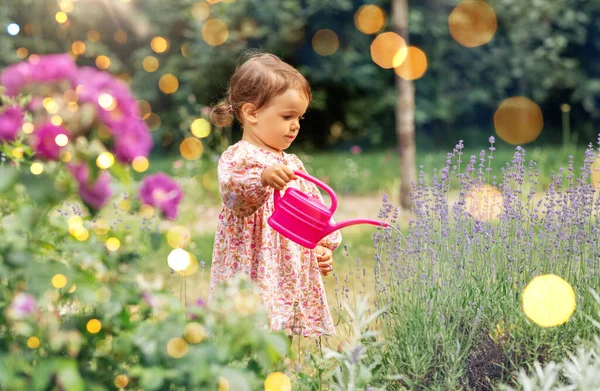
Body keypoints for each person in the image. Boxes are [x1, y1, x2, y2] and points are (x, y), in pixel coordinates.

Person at [208, 51, 342, 337]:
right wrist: (262, 178)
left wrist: (321, 245)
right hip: (252, 261)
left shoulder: (292, 163)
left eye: (299, 117)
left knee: (280, 330)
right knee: (250, 325)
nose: (295, 125)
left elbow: (313, 210)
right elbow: (235, 195)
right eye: (287, 116)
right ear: (252, 112)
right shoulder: (238, 157)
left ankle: (277, 370)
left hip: (285, 263)